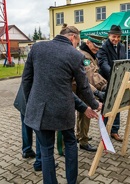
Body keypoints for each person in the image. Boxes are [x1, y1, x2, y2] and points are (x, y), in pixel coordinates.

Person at [21, 24, 102, 184]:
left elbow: (26, 79)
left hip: (40, 110)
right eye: (77, 42)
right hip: (63, 110)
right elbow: (83, 86)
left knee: (46, 151)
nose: (77, 45)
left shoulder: (37, 48)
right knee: (71, 142)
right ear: (73, 37)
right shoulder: (75, 55)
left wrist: (32, 100)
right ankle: (71, 181)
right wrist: (94, 104)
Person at [14, 83, 97, 171]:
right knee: (40, 129)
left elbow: (26, 79)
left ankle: (26, 150)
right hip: (36, 99)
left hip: (25, 97)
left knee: (26, 124)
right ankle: (39, 162)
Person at [76, 35, 107, 152]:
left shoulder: (89, 53)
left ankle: (80, 135)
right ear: (88, 42)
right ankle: (83, 141)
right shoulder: (85, 56)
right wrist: (103, 85)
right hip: (85, 90)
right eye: (95, 46)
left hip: (84, 89)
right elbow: (91, 75)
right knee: (85, 116)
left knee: (81, 115)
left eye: (99, 47)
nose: (97, 49)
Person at [97, 24, 126, 142]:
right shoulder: (103, 47)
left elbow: (123, 62)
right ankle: (105, 132)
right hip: (107, 80)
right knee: (107, 106)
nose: (116, 39)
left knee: (117, 104)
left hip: (118, 80)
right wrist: (114, 75)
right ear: (109, 36)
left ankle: (114, 131)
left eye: (118, 37)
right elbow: (103, 63)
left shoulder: (122, 46)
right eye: (114, 36)